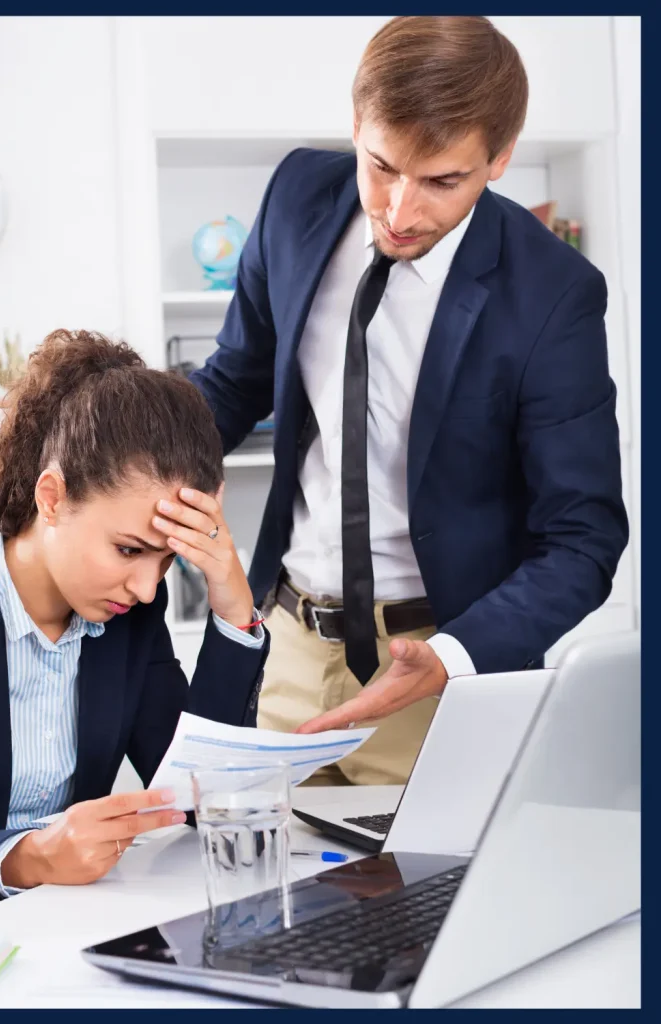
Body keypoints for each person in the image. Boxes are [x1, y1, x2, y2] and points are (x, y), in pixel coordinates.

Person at [191, 15, 628, 785]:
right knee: (256, 898)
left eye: (440, 182)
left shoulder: (554, 295)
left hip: (436, 671)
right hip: (285, 644)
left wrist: (452, 657)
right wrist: (122, 449)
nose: (397, 211)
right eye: (381, 166)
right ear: (356, 124)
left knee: (417, 907)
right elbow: (235, 380)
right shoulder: (296, 198)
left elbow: (582, 538)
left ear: (499, 158)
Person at [0, 329, 269, 953]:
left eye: (169, 560)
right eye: (129, 549)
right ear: (52, 498)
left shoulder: (130, 618)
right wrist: (27, 857)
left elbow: (199, 802)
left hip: (53, 939)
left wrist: (233, 605)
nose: (146, 588)